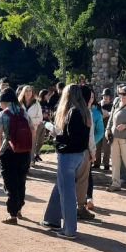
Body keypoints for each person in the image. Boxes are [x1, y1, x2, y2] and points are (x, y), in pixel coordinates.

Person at [40, 84, 92, 240]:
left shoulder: (73, 112)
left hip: (68, 155)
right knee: (61, 187)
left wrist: (56, 135)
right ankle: (51, 219)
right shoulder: (84, 112)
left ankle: (69, 230)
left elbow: (70, 138)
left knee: (67, 193)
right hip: (78, 155)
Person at [0, 88, 33, 225]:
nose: (0, 106)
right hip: (24, 152)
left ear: (3, 102)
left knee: (10, 184)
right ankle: (19, 208)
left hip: (8, 152)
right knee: (21, 182)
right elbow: (32, 131)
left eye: (0, 103)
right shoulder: (24, 112)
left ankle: (12, 215)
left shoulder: (2, 115)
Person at [74, 85, 98, 220]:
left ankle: (67, 206)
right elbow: (90, 136)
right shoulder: (87, 112)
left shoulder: (69, 109)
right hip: (83, 151)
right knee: (83, 180)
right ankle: (80, 208)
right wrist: (93, 153)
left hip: (68, 151)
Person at [86, 88, 105, 210]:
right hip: (77, 147)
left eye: (92, 97)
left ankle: (89, 198)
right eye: (89, 96)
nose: (90, 99)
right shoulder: (75, 111)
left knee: (88, 173)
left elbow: (100, 131)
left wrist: (92, 143)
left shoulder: (96, 113)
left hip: (89, 147)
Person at [19, 86, 44, 167]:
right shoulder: (19, 103)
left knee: (31, 146)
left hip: (33, 129)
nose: (28, 92)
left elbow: (40, 118)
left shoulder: (37, 104)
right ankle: (23, 163)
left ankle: (30, 161)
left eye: (30, 91)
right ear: (23, 92)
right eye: (26, 91)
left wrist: (29, 122)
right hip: (21, 129)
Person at [94, 88, 112, 170]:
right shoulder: (98, 105)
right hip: (98, 127)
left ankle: (106, 164)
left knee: (106, 147)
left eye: (107, 95)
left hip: (107, 128)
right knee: (97, 146)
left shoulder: (112, 106)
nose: (106, 97)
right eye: (104, 95)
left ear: (110, 97)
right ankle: (96, 162)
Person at [35, 89, 52, 163]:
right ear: (43, 95)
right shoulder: (38, 103)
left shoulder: (48, 103)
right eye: (48, 94)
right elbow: (35, 114)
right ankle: (34, 155)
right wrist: (42, 115)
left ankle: (37, 153)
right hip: (38, 123)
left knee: (41, 141)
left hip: (45, 123)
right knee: (36, 139)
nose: (49, 96)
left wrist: (49, 117)